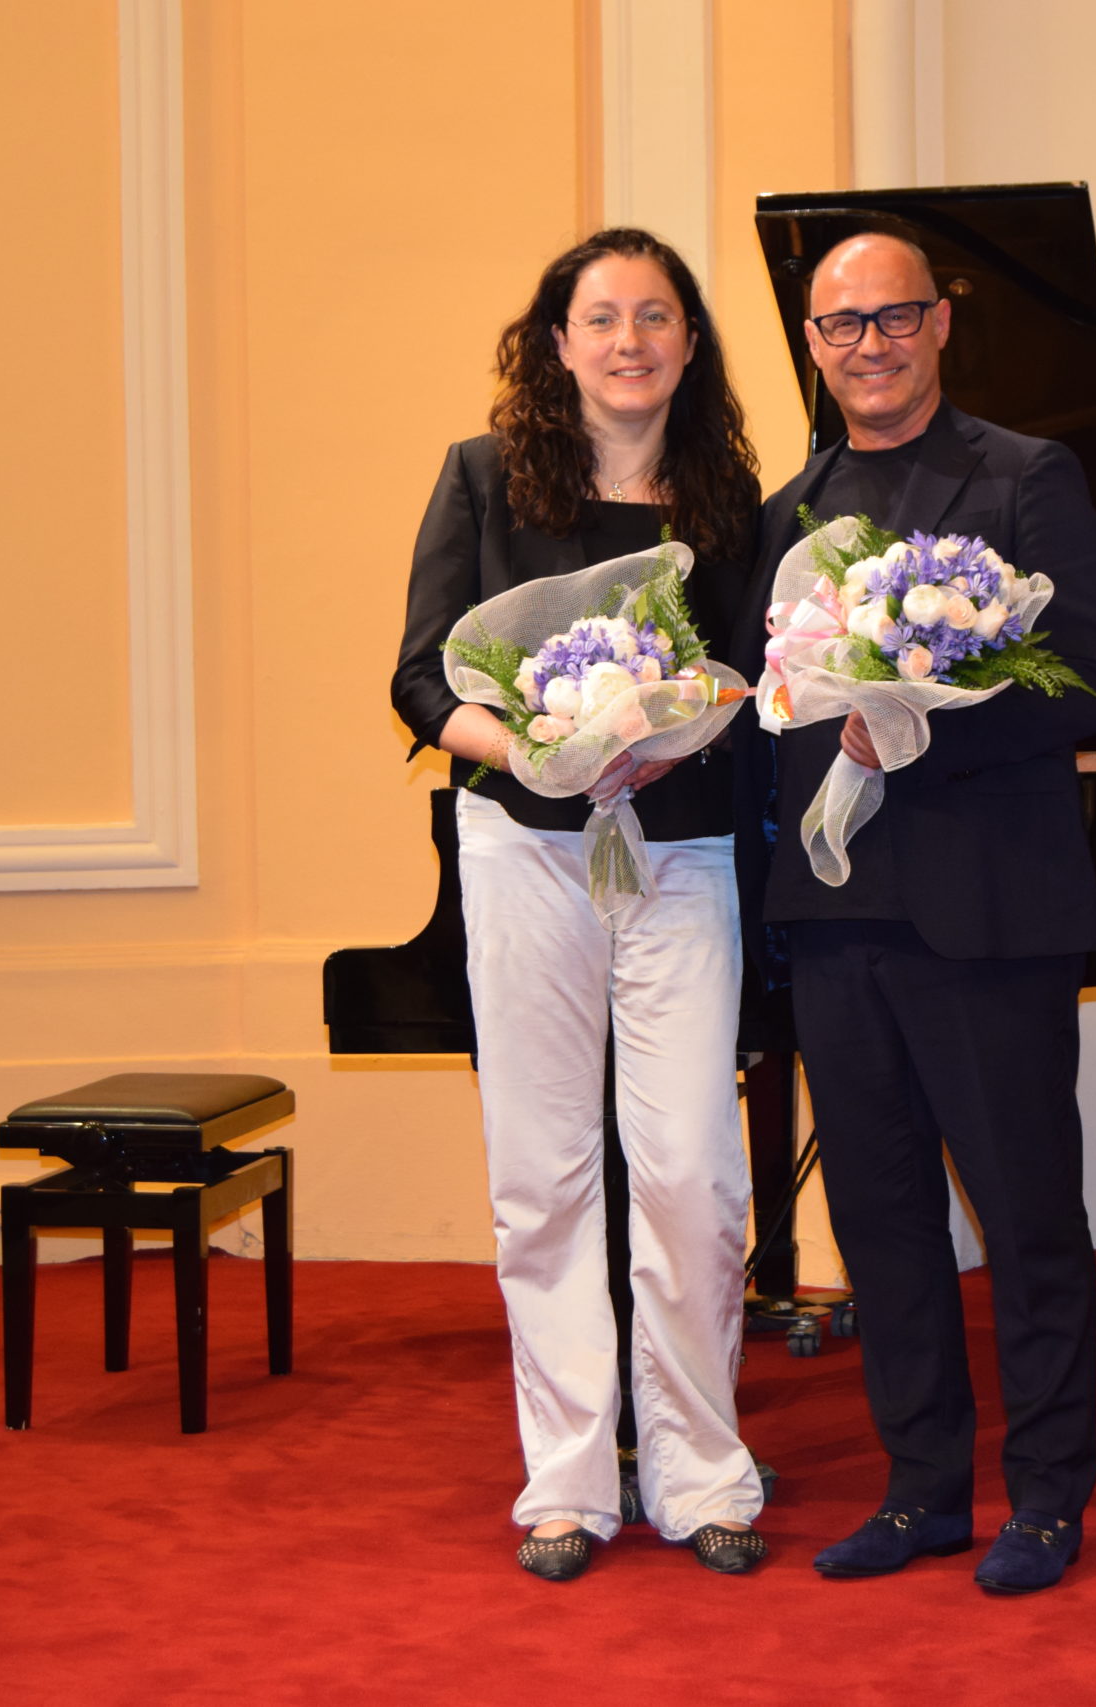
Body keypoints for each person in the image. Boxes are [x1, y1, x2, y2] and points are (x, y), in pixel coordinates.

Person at [735, 230, 1096, 1595]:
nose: (871, 346)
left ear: (942, 324)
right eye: (843, 325)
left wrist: (918, 731)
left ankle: (1050, 1499)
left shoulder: (1024, 478)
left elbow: (1092, 683)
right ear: (813, 343)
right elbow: (773, 712)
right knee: (883, 1221)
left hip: (990, 915)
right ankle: (922, 1493)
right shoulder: (789, 512)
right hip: (838, 918)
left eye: (895, 317)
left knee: (1026, 1219)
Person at [390, 229, 768, 1581]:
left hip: (682, 852)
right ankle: (567, 1480)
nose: (628, 342)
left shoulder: (726, 496)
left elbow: (747, 679)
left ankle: (700, 1469)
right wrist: (535, 752)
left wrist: (675, 732)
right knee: (544, 1175)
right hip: (526, 849)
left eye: (654, 317)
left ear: (688, 341)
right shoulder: (482, 478)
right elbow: (422, 681)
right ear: (557, 343)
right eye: (601, 318)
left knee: (692, 1174)